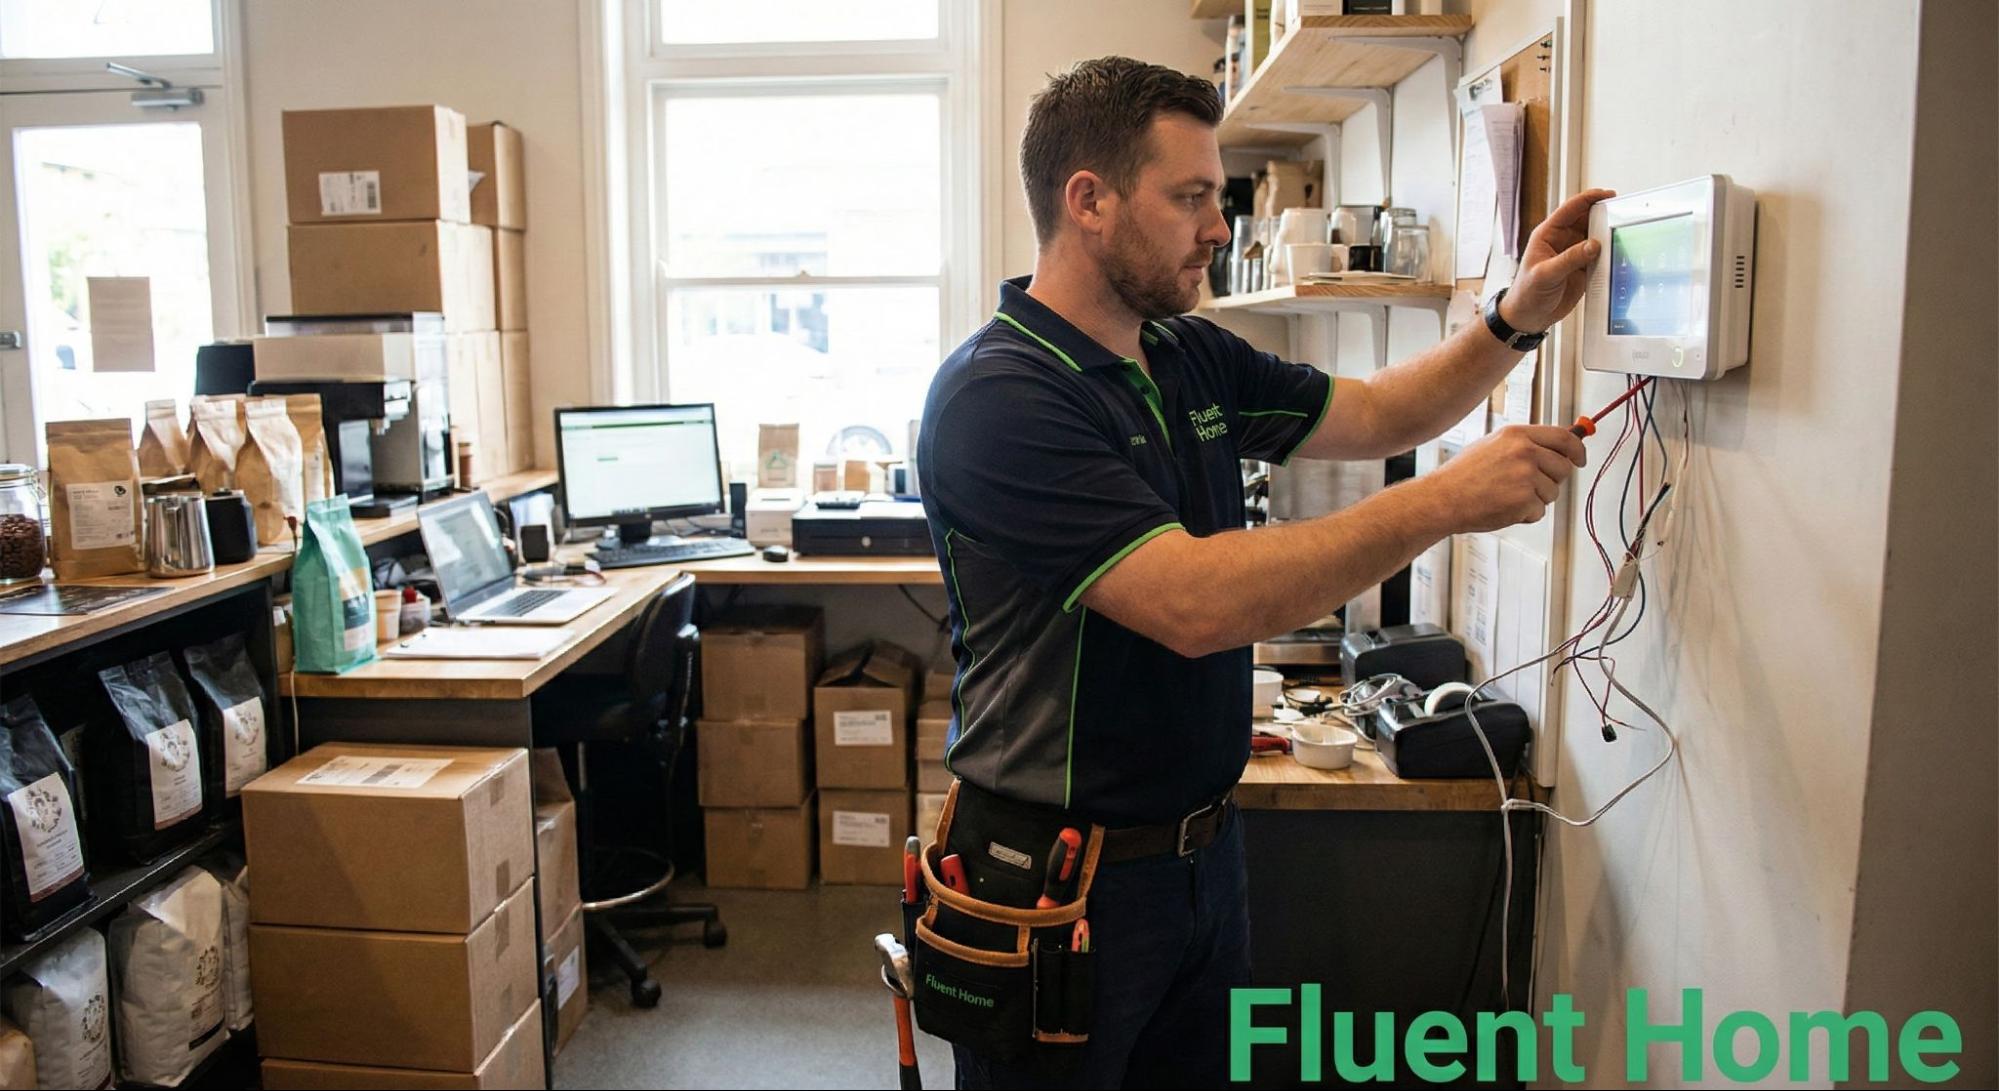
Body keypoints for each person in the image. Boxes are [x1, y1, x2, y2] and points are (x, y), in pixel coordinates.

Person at [915, 55, 1608, 1089]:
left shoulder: (1187, 354)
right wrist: (1447, 499)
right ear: (1088, 201)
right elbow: (1193, 602)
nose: (1216, 227)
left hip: (1203, 856)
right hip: (1060, 881)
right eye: (1189, 196)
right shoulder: (997, 397)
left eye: (1217, 197)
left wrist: (1514, 317)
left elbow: (1379, 413)